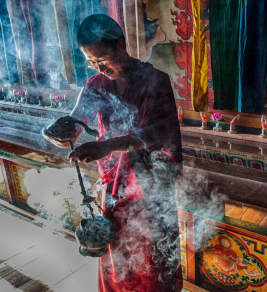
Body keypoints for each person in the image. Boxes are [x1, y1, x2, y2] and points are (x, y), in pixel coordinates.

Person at [43, 14, 182, 292]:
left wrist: (106, 146)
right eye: (92, 62)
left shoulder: (155, 81)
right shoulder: (95, 84)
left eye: (103, 59)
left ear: (121, 44)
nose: (99, 67)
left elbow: (158, 134)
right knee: (117, 258)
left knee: (152, 262)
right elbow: (75, 121)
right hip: (113, 187)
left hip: (150, 188)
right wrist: (58, 130)